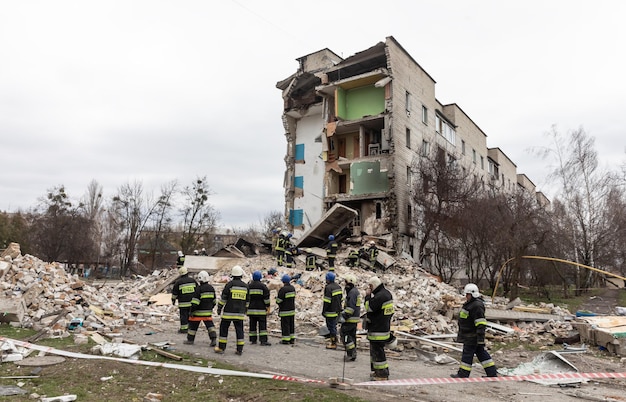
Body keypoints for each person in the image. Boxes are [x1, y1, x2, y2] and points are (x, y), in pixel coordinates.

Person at [451, 283, 498, 378]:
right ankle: (492, 373)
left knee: (467, 354)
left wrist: (480, 338)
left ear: (472, 294)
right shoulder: (470, 304)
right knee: (481, 353)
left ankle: (463, 374)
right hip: (469, 334)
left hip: (472, 336)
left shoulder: (476, 306)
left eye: (467, 295)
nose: (466, 297)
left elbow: (480, 323)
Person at [365, 275, 394, 381]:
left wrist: (367, 296)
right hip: (384, 327)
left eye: (370, 287)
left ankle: (382, 374)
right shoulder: (387, 294)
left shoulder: (379, 297)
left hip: (377, 329)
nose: (370, 289)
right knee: (376, 352)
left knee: (378, 352)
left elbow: (369, 308)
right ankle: (378, 372)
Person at [215, 265, 249, 355]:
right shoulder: (245, 286)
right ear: (241, 274)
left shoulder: (229, 285)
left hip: (228, 313)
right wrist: (246, 310)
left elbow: (223, 299)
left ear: (232, 275)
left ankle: (221, 348)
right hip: (240, 314)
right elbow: (247, 301)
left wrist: (219, 308)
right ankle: (239, 349)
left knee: (223, 329)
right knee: (239, 331)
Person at [185, 270, 217, 346]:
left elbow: (195, 302)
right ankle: (213, 339)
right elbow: (214, 301)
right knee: (210, 326)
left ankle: (190, 340)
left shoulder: (198, 289)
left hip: (197, 313)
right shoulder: (211, 288)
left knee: (193, 327)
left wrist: (191, 311)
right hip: (207, 313)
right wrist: (210, 308)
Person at [247, 270, 272, 346]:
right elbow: (266, 299)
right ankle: (263, 340)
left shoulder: (249, 286)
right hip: (261, 310)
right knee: (262, 326)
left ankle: (253, 340)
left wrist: (246, 308)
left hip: (251, 310)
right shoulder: (263, 287)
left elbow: (246, 298)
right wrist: (268, 307)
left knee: (252, 325)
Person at [340, 274, 361, 361]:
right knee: (352, 336)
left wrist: (344, 316)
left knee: (344, 334)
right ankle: (353, 353)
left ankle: (350, 352)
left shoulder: (352, 293)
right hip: (354, 318)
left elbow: (350, 308)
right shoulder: (355, 292)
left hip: (350, 319)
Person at [171, 266, 198, 334]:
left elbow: (175, 293)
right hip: (192, 303)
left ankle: (184, 329)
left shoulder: (178, 282)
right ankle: (191, 328)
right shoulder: (193, 281)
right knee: (191, 315)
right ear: (187, 273)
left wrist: (173, 300)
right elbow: (198, 290)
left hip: (183, 304)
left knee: (184, 316)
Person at [322, 271, 343, 350]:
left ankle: (333, 343)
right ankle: (335, 340)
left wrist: (324, 311)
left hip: (330, 311)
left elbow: (327, 301)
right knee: (333, 326)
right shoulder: (338, 287)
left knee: (331, 327)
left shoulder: (328, 288)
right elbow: (341, 299)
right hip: (337, 310)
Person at [276, 274, 296, 345]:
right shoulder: (293, 288)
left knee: (285, 325)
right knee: (291, 325)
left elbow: (278, 301)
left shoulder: (283, 289)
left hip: (285, 311)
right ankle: (292, 339)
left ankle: (285, 340)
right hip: (292, 310)